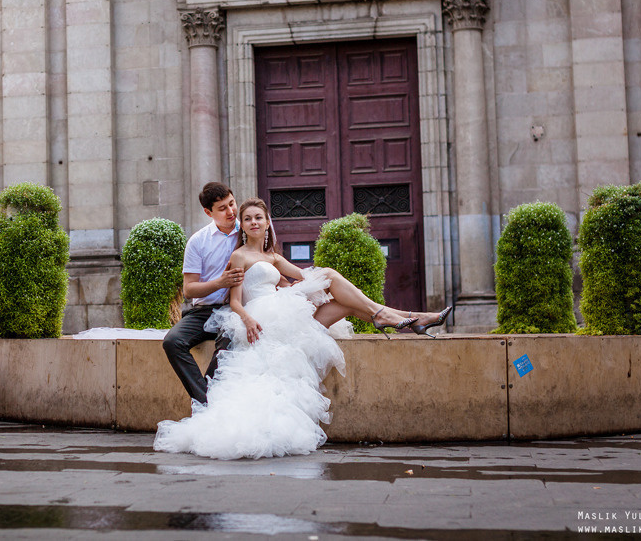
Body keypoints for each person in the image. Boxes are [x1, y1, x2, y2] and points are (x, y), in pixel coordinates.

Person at [153, 197, 452, 460]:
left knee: (335, 287)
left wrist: (304, 285)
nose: (254, 222)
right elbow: (235, 301)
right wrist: (246, 319)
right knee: (333, 279)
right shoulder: (239, 256)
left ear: (268, 222)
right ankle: (404, 317)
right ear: (242, 227)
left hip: (282, 311)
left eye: (259, 217)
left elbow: (305, 276)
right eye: (248, 219)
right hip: (261, 317)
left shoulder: (273, 257)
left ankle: (397, 317)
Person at [161, 182, 243, 405]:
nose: (231, 211)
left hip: (235, 309)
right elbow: (189, 289)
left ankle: (210, 403)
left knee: (230, 339)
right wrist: (220, 282)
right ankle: (206, 401)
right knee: (172, 342)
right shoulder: (198, 241)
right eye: (222, 208)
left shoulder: (248, 231)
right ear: (209, 212)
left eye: (232, 203)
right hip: (203, 311)